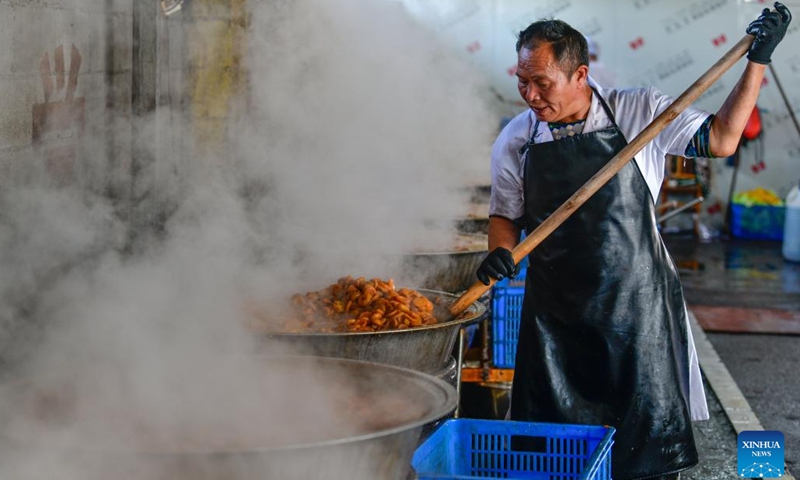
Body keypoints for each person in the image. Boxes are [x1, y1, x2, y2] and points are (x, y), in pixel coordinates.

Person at [476, 4, 791, 480]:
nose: (530, 94)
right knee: (552, 458)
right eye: (523, 80)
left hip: (635, 311)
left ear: (580, 74)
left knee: (643, 458)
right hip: (554, 322)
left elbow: (723, 139)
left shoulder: (638, 112)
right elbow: (505, 215)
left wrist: (758, 61)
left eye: (542, 82)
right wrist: (499, 251)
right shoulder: (517, 140)